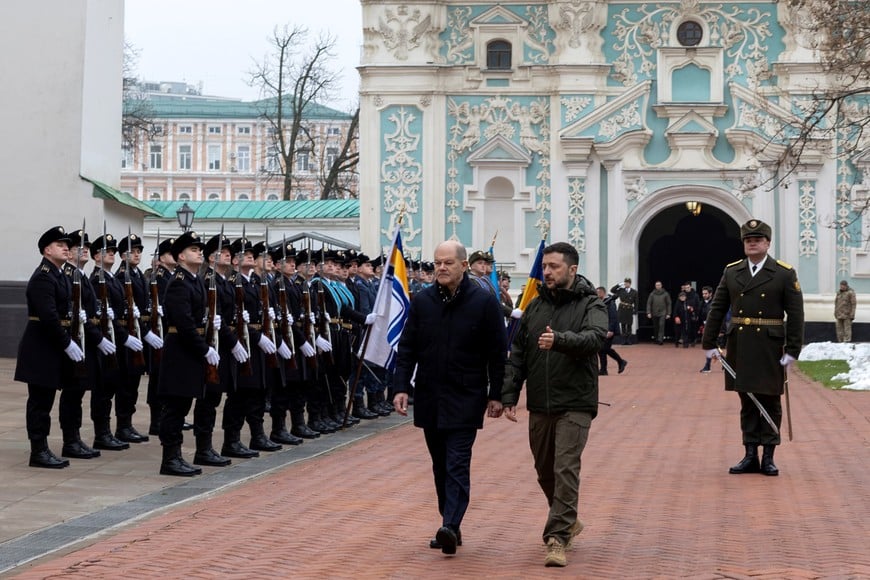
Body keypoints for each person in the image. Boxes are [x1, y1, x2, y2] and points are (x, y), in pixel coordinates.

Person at [393, 240, 507, 556]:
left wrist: (496, 394)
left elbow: (498, 354)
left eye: (447, 263)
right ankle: (450, 522)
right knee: (440, 465)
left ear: (463, 265)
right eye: (437, 263)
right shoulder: (423, 302)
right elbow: (407, 349)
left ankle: (450, 526)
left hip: (467, 397)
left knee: (457, 462)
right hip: (430, 396)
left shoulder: (484, 303)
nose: (441, 268)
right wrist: (401, 387)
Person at [502, 242, 607, 567]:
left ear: (572, 270)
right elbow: (518, 353)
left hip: (576, 400)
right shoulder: (535, 307)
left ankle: (557, 538)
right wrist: (509, 394)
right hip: (541, 402)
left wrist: (560, 340)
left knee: (565, 468)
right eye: (545, 266)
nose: (546, 271)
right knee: (544, 469)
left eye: (554, 267)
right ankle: (568, 518)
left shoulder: (591, 303)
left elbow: (596, 337)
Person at [702, 219, 804, 477]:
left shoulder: (783, 273)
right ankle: (750, 454)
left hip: (770, 346)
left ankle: (769, 455)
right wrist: (709, 342)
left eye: (758, 240)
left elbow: (795, 313)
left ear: (768, 243)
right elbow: (717, 307)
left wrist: (792, 349)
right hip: (741, 344)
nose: (752, 243)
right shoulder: (732, 272)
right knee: (747, 399)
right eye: (748, 240)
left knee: (769, 399)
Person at [15, 227, 77, 468]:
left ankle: (43, 448)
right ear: (46, 250)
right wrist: (67, 343)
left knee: (46, 399)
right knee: (40, 402)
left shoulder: (58, 274)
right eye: (59, 244)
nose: (65, 247)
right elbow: (49, 316)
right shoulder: (43, 276)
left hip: (50, 346)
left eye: (66, 244)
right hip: (40, 347)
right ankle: (38, 451)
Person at [157, 231, 217, 476]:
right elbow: (184, 323)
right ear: (181, 256)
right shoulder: (179, 283)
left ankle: (177, 456)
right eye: (193, 250)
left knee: (182, 406)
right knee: (174, 408)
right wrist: (204, 349)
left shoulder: (194, 280)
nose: (199, 252)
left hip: (190, 352)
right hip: (180, 352)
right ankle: (170, 459)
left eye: (199, 249)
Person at [597, 286, 627, 375]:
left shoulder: (611, 302)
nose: (596, 294)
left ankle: (621, 361)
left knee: (604, 348)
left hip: (610, 330)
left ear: (603, 293)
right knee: (601, 349)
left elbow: (613, 317)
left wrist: (610, 330)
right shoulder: (601, 302)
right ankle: (603, 370)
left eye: (598, 293)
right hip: (602, 328)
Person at [610, 277, 637, 344]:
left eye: (627, 283)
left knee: (629, 324)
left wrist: (635, 310)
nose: (626, 284)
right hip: (622, 309)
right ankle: (623, 339)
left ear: (630, 283)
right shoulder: (621, 290)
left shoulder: (634, 292)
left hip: (629, 309)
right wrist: (618, 285)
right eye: (625, 283)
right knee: (623, 324)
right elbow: (612, 290)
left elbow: (636, 302)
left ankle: (628, 339)